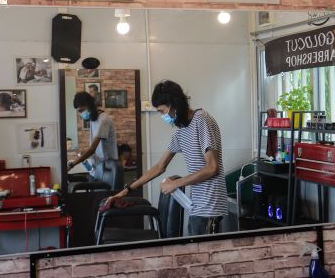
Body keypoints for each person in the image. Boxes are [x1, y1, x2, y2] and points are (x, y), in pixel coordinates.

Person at [109, 80, 228, 236]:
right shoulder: (181, 131)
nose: (162, 116)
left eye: (162, 111)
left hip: (210, 207)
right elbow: (159, 167)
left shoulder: (202, 120)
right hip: (197, 206)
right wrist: (126, 191)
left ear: (173, 104)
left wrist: (176, 183)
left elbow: (212, 168)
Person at [67, 91, 119, 187]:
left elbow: (92, 149)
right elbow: (96, 147)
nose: (81, 114)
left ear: (89, 105)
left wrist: (71, 165)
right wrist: (83, 153)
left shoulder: (103, 120)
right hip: (100, 166)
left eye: (81, 110)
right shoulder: (94, 120)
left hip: (108, 167)